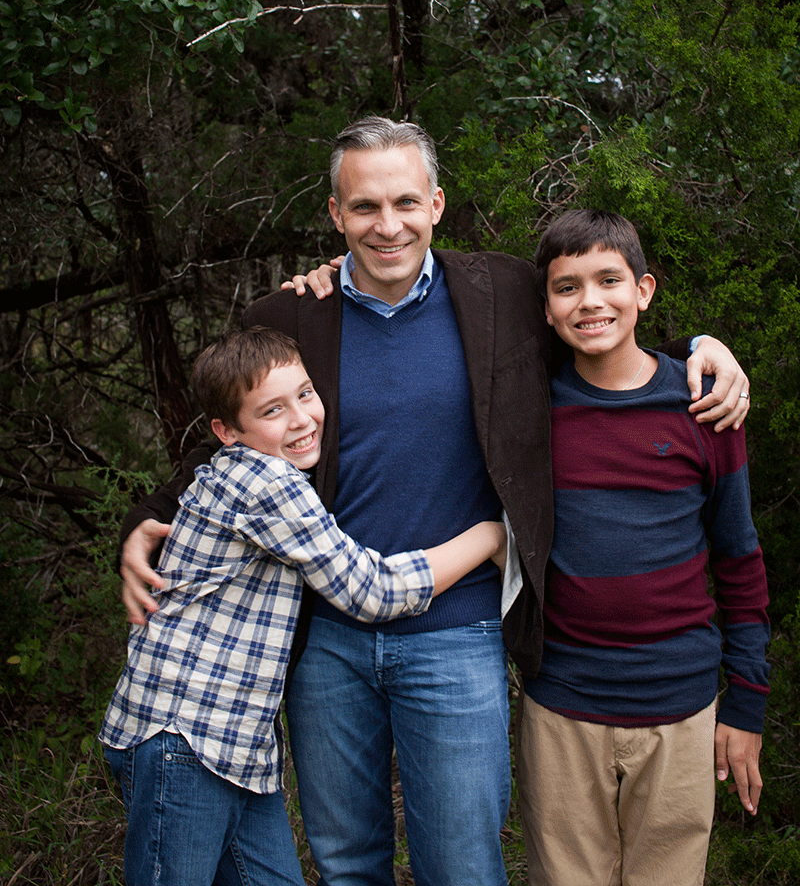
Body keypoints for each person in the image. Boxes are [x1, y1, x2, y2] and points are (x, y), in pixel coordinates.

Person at [118, 117, 750, 886]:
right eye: (365, 208)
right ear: (335, 214)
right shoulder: (291, 316)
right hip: (327, 640)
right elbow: (232, 438)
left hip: (458, 633)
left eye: (406, 202)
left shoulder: (506, 292)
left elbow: (605, 334)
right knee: (349, 863)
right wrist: (144, 523)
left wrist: (700, 351)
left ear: (438, 204)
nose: (388, 225)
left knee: (462, 866)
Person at [100, 326, 506, 886]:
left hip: (236, 748)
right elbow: (372, 590)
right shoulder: (267, 482)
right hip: (185, 738)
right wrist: (491, 535)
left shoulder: (258, 469)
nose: (301, 419)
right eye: (272, 410)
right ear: (227, 432)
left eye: (306, 394)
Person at [515, 208, 769, 886]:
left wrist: (746, 702)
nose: (591, 301)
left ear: (644, 291)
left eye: (609, 280)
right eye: (567, 287)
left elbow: (739, 562)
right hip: (561, 705)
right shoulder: (527, 413)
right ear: (544, 309)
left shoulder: (704, 409)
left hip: (681, 707)